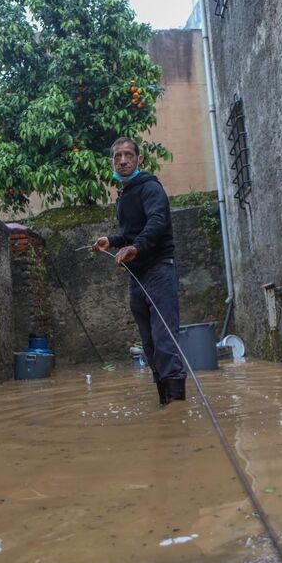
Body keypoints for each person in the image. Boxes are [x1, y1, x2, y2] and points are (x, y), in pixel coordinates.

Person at [92, 137, 187, 405]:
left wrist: (136, 248)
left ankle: (177, 408)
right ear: (112, 162)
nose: (122, 160)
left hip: (159, 269)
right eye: (117, 156)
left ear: (138, 160)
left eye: (128, 155)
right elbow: (130, 233)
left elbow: (156, 223)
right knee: (149, 343)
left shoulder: (150, 188)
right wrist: (111, 241)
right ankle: (164, 403)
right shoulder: (124, 195)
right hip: (138, 276)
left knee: (164, 339)